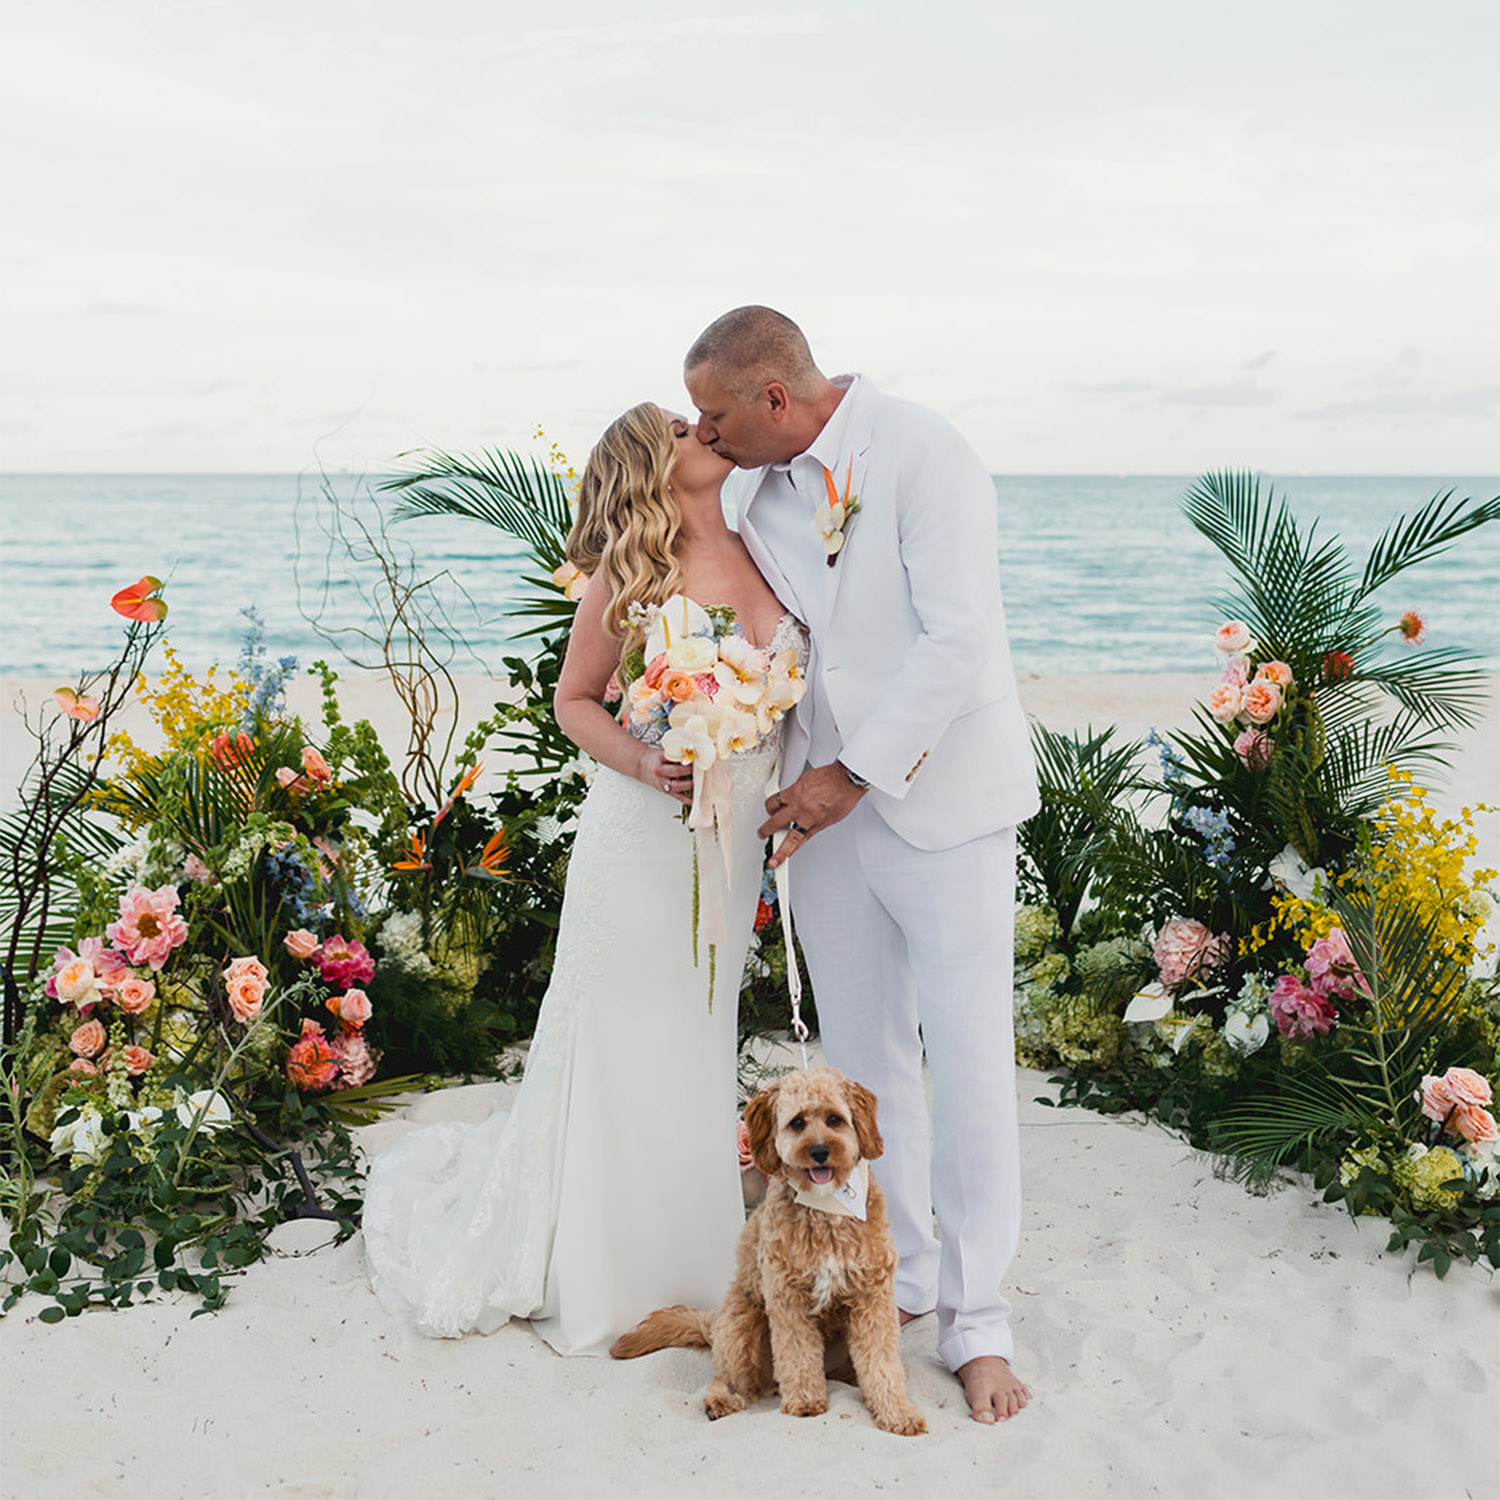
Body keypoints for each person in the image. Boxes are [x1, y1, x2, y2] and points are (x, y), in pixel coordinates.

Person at [362, 402, 805, 1356]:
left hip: (731, 845)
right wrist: (647, 760)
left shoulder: (774, 541)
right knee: (621, 1034)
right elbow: (573, 702)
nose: (705, 427)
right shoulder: (630, 573)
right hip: (644, 838)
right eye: (682, 427)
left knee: (698, 1030)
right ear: (653, 466)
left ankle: (691, 1245)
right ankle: (612, 1265)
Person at [684, 307, 1041, 1423]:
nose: (706, 433)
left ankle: (979, 1327)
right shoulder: (745, 488)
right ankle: (909, 1276)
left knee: (970, 1064)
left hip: (943, 802)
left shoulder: (924, 451)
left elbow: (957, 639)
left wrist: (854, 773)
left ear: (775, 397)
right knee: (865, 1066)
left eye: (716, 413)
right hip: (820, 820)